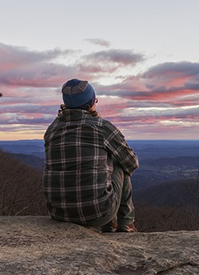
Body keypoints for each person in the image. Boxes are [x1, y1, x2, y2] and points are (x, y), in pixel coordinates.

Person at [43, 79, 139, 232]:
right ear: (90, 104)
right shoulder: (102, 127)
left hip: (59, 213)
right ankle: (125, 225)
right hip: (99, 214)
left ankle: (112, 225)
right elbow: (131, 163)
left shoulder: (52, 129)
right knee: (119, 162)